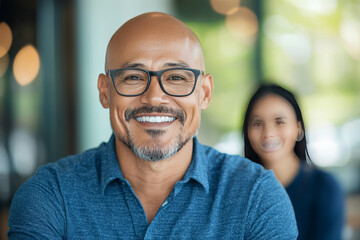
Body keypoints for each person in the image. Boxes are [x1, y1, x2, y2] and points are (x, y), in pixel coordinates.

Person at [8, 12, 298, 239]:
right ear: (105, 91)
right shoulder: (50, 196)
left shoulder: (257, 197)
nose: (154, 96)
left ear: (205, 93)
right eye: (133, 77)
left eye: (177, 77)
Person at [242, 83, 345, 240]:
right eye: (257, 123)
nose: (268, 133)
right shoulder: (238, 189)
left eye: (279, 121)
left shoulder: (324, 187)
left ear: (299, 128)